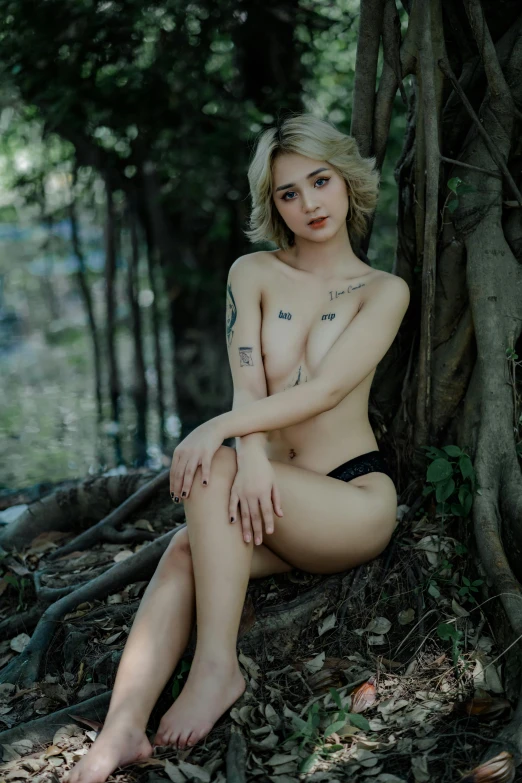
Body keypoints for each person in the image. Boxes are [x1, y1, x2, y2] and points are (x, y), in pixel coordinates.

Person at [65, 112, 410, 783]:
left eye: (319, 181)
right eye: (289, 192)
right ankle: (120, 731)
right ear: (272, 204)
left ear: (346, 181)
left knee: (213, 464)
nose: (309, 203)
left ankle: (216, 666)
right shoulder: (251, 273)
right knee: (186, 548)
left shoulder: (383, 290)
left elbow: (327, 389)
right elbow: (247, 383)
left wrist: (222, 432)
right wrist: (249, 454)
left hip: (352, 499)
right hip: (270, 490)